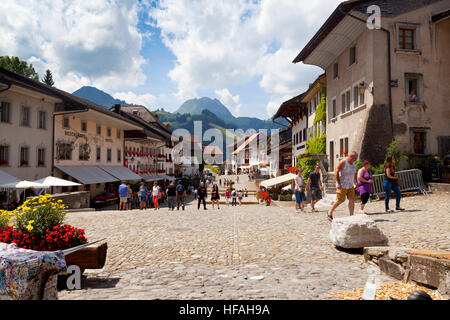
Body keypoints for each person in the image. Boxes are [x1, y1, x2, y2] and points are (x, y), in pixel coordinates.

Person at [327, 151, 358, 222]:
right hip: (342, 185)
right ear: (350, 156)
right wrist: (338, 183)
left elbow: (354, 173)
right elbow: (337, 172)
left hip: (350, 184)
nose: (356, 159)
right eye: (355, 158)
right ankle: (330, 212)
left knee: (351, 199)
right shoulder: (343, 162)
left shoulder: (353, 164)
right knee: (340, 200)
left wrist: (356, 182)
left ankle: (351, 215)